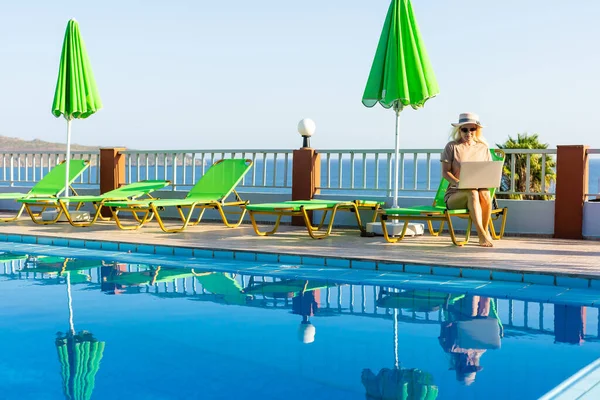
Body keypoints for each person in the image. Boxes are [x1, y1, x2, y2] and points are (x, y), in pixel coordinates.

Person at [441, 112, 494, 247]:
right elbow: (445, 173)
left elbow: (488, 171)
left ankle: (485, 229)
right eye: (464, 129)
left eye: (472, 129)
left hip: (477, 191)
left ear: (477, 130)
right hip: (455, 195)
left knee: (485, 193)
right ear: (459, 130)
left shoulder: (483, 148)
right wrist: (458, 183)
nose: (468, 132)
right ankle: (481, 235)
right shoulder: (452, 147)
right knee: (472, 192)